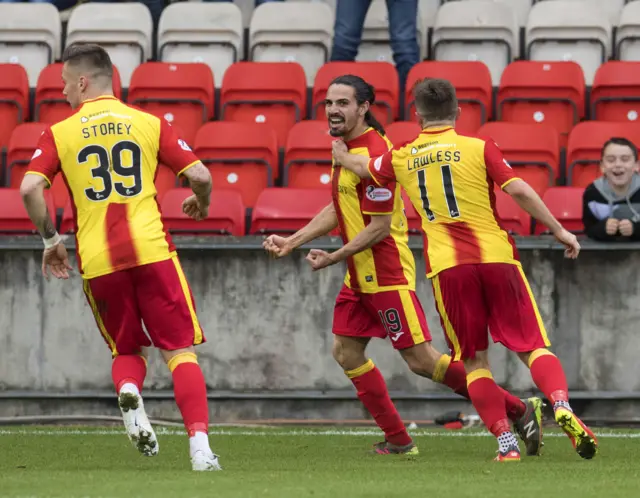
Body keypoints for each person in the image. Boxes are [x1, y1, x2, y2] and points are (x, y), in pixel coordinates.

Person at [263, 75, 542, 456]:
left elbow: (379, 227)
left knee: (423, 362)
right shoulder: (345, 150)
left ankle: (519, 409)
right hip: (358, 274)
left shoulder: (377, 151)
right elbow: (340, 205)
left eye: (342, 103)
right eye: (329, 103)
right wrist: (293, 240)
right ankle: (398, 438)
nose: (333, 110)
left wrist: (333, 257)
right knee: (345, 352)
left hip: (386, 274)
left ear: (363, 108)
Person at [330, 77, 598, 462]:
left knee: (474, 361)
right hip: (498, 258)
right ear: (457, 111)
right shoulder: (479, 146)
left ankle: (506, 444)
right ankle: (561, 405)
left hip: (449, 268)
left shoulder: (402, 155)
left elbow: (362, 165)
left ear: (418, 114)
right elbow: (519, 189)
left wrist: (341, 157)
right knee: (532, 346)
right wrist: (559, 230)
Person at [19, 43, 220, 472]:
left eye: (65, 86)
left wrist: (50, 240)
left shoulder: (59, 132)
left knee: (127, 348)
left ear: (82, 81)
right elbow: (201, 175)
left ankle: (129, 390)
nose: (64, 95)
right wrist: (201, 203)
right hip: (153, 252)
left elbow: (30, 188)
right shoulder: (150, 123)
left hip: (99, 261)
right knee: (179, 351)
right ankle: (200, 450)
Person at [583, 137, 640, 241]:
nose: (618, 164)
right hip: (604, 255)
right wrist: (603, 228)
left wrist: (635, 229)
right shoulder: (592, 192)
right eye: (611, 160)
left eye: (625, 159)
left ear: (636, 165)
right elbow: (589, 229)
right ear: (602, 166)